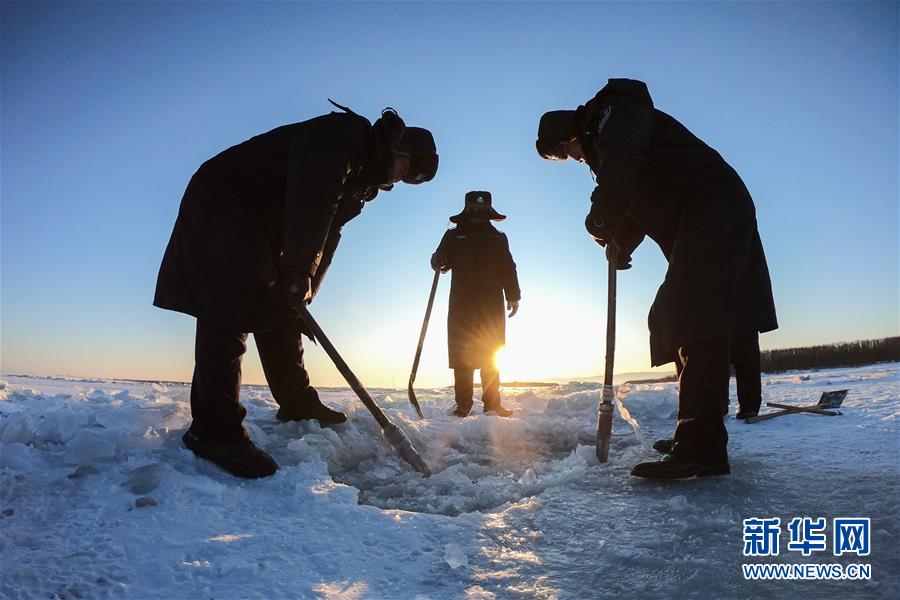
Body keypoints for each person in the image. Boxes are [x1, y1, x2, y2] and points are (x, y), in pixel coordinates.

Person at [154, 100, 438, 478]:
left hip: (265, 219)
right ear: (398, 149)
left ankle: (297, 402)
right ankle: (214, 432)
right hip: (227, 198)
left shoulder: (361, 184)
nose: (395, 180)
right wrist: (298, 269)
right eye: (404, 168)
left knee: (284, 306)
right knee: (230, 305)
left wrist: (305, 287)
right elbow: (313, 194)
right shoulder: (346, 137)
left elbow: (329, 234)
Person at [536, 78, 777, 479]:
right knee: (673, 315)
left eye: (565, 151)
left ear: (569, 133)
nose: (574, 158)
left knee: (692, 315)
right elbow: (633, 197)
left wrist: (601, 215)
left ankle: (701, 447)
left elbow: (624, 168)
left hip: (711, 204)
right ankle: (698, 433)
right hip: (702, 210)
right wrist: (620, 242)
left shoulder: (616, 114)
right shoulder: (608, 135)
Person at [431, 191, 521, 418]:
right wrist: (438, 260)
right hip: (463, 304)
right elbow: (441, 258)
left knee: (492, 355)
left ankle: (493, 404)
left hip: (491, 305)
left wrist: (513, 295)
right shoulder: (453, 236)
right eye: (475, 209)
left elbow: (508, 267)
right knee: (463, 356)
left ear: (489, 211)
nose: (479, 213)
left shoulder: (499, 238)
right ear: (467, 210)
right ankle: (463, 405)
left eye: (483, 209)